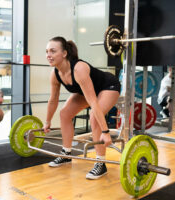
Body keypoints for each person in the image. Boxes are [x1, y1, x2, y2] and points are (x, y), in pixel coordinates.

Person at [44, 36, 121, 180]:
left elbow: (93, 102)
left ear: (65, 53)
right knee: (65, 113)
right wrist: (47, 121)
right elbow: (53, 99)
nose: (48, 55)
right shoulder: (55, 74)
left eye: (53, 51)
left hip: (108, 86)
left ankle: (101, 163)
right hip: (89, 91)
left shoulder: (78, 69)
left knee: (94, 116)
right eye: (47, 51)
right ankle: (66, 154)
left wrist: (105, 132)